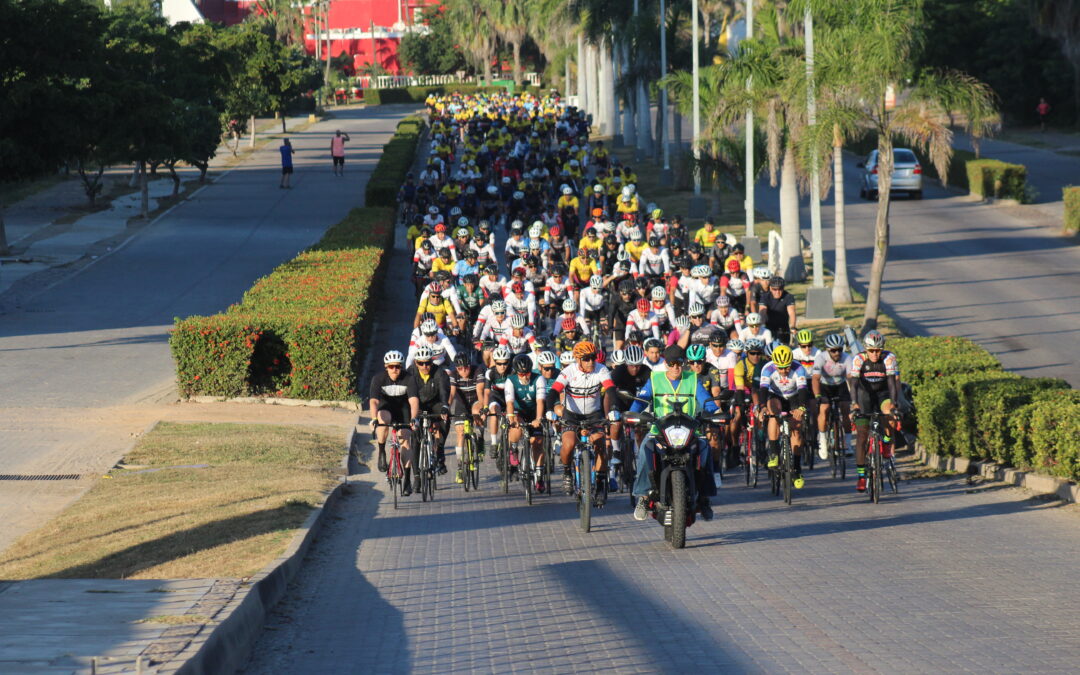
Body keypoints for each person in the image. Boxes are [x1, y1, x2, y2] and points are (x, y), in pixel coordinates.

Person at [630, 345, 719, 522]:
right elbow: (640, 401)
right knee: (644, 450)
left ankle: (705, 498)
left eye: (679, 363)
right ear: (665, 364)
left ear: (684, 363)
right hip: (659, 431)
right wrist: (632, 413)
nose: (676, 368)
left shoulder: (692, 379)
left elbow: (706, 401)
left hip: (690, 431)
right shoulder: (654, 379)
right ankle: (642, 497)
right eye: (672, 364)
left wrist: (715, 413)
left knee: (705, 448)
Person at [545, 341, 619, 495]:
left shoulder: (601, 369)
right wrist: (549, 410)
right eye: (586, 359)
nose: (591, 362)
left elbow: (611, 390)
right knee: (569, 444)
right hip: (572, 414)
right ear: (578, 359)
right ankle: (567, 473)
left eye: (593, 357)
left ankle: (600, 482)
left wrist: (614, 409)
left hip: (594, 414)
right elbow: (553, 392)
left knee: (601, 446)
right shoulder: (568, 371)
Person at [848, 330, 901, 493]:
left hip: (883, 393)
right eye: (871, 350)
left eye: (878, 350)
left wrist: (894, 404)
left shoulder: (889, 358)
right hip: (864, 396)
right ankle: (862, 477)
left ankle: (886, 442)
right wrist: (854, 404)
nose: (875, 354)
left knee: (888, 413)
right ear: (866, 349)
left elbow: (892, 383)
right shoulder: (859, 359)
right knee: (862, 436)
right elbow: (854, 384)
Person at [759, 345, 809, 489]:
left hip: (794, 397)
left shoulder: (799, 369)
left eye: (786, 367)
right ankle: (774, 453)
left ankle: (797, 469)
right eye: (780, 368)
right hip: (776, 396)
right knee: (773, 413)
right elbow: (763, 389)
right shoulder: (767, 369)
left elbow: (803, 391)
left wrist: (802, 408)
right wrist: (762, 407)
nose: (783, 371)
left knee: (797, 428)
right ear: (775, 364)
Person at [406, 346, 451, 490]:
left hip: (435, 403)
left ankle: (440, 448)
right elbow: (407, 395)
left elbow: (444, 392)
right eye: (421, 363)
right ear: (415, 363)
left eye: (428, 363)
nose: (425, 366)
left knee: (445, 417)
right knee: (415, 438)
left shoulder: (440, 372)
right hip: (417, 405)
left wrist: (445, 406)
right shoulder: (410, 373)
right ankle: (417, 477)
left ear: (432, 361)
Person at [369, 350, 420, 477]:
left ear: (401, 367)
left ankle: (407, 478)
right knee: (383, 419)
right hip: (386, 407)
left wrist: (414, 418)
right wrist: (374, 418)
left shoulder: (409, 378)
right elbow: (374, 401)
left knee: (405, 441)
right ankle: (381, 451)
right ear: (386, 367)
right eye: (391, 366)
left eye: (398, 366)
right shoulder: (378, 378)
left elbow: (414, 401)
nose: (395, 369)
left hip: (403, 409)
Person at [505, 354, 548, 492]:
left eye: (527, 373)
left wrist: (539, 418)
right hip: (519, 411)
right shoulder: (510, 380)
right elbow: (510, 402)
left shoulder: (539, 378)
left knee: (537, 442)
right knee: (516, 427)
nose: (524, 377)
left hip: (535, 411)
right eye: (521, 374)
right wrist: (512, 420)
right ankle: (513, 449)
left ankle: (540, 476)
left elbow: (540, 401)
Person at [813, 333, 854, 461]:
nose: (837, 353)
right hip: (825, 386)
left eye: (839, 350)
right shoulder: (821, 358)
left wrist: (854, 396)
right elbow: (815, 379)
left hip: (840, 386)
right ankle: (823, 442)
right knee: (824, 409)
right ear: (828, 350)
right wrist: (818, 395)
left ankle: (847, 444)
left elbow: (851, 379)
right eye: (833, 350)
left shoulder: (847, 358)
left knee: (846, 410)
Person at [449, 354, 486, 484]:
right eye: (460, 368)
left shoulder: (478, 370)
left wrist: (483, 408)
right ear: (456, 368)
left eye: (466, 368)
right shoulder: (453, 375)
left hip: (475, 400)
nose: (463, 371)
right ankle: (459, 467)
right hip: (461, 404)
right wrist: (446, 407)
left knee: (477, 412)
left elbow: (480, 391)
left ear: (470, 366)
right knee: (460, 433)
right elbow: (452, 393)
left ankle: (480, 438)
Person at [758, 276, 797, 345]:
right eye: (774, 289)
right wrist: (762, 326)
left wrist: (793, 327)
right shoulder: (765, 297)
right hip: (768, 326)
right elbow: (762, 312)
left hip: (783, 326)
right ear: (770, 288)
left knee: (784, 348)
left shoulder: (788, 297)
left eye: (780, 289)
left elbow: (791, 312)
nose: (777, 292)